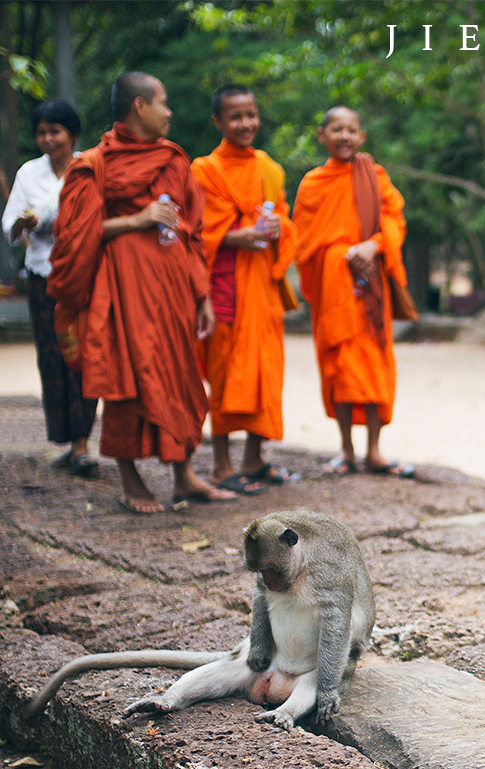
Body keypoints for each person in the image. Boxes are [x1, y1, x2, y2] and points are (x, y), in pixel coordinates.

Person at [48, 72, 235, 513]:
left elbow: (193, 232)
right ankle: (132, 480)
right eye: (163, 102)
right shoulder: (93, 164)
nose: (169, 112)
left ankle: (184, 476)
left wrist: (202, 294)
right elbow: (72, 235)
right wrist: (135, 220)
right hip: (123, 293)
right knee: (129, 381)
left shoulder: (173, 159)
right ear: (139, 106)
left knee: (182, 378)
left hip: (172, 292)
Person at [293, 105, 414, 476]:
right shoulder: (313, 183)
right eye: (336, 129)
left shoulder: (374, 176)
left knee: (375, 366)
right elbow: (301, 241)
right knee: (338, 366)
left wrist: (373, 246)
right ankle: (346, 450)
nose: (344, 136)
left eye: (351, 130)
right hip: (334, 287)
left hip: (371, 283)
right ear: (322, 135)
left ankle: (374, 451)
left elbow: (395, 221)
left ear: (362, 136)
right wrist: (338, 254)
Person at [191, 84, 299, 495]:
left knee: (265, 373)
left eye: (251, 114)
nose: (245, 123)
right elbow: (198, 233)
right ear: (218, 122)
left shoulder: (269, 169)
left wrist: (277, 229)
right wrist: (239, 235)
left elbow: (285, 221)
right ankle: (221, 465)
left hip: (261, 285)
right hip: (224, 285)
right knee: (223, 374)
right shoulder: (204, 170)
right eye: (235, 117)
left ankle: (254, 458)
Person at [2, 98, 98, 476]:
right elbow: (10, 221)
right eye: (41, 132)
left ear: (72, 134)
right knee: (52, 355)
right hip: (43, 275)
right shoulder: (29, 173)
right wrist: (24, 224)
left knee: (84, 355)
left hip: (84, 276)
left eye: (55, 131)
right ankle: (67, 439)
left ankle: (83, 443)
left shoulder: (88, 169)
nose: (47, 139)